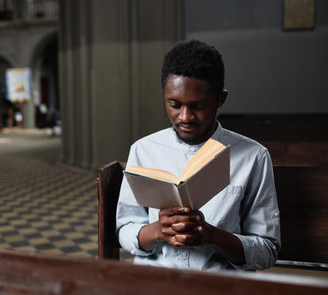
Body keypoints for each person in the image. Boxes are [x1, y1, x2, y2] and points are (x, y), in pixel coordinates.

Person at [116, 40, 281, 271]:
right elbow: (125, 229)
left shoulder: (254, 157)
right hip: (157, 282)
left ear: (220, 100)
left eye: (198, 106)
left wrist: (212, 236)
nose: (185, 117)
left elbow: (267, 250)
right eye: (174, 104)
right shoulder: (144, 150)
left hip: (218, 285)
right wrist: (158, 230)